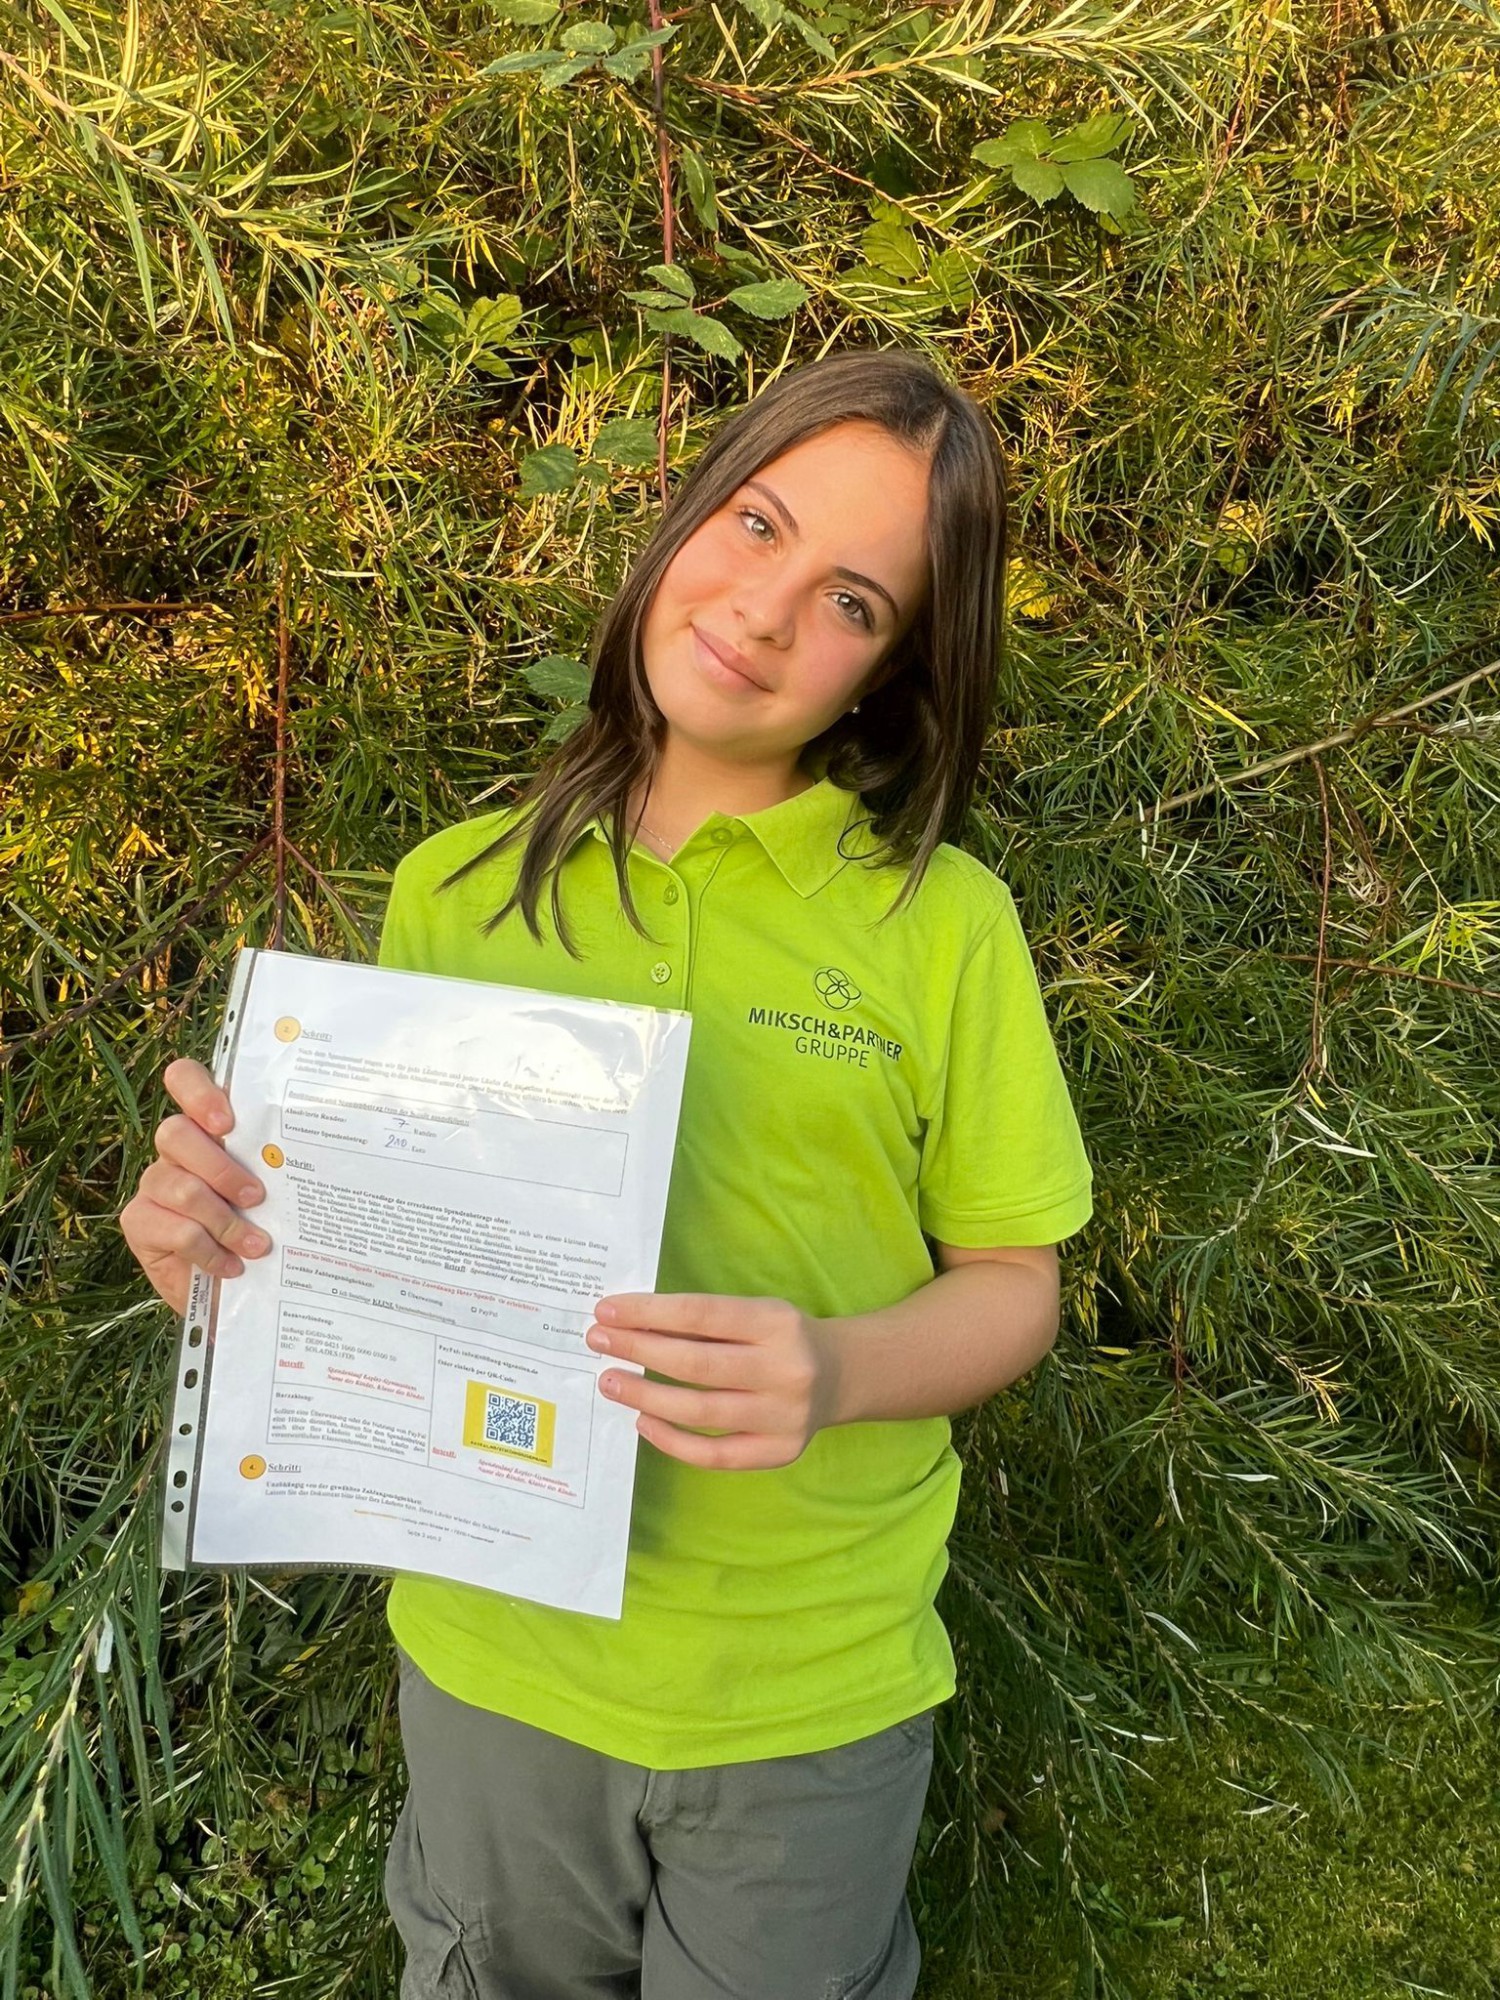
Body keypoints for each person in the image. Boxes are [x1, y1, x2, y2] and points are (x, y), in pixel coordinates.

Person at [119, 347, 1094, 1999]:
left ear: (894, 672)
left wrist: (838, 1369)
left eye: (852, 601)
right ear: (686, 514)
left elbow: (1015, 1285)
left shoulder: (944, 926)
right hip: (495, 1664)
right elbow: (366, 1274)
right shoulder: (456, 894)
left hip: (809, 1681)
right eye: (759, 523)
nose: (768, 610)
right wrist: (218, 1264)